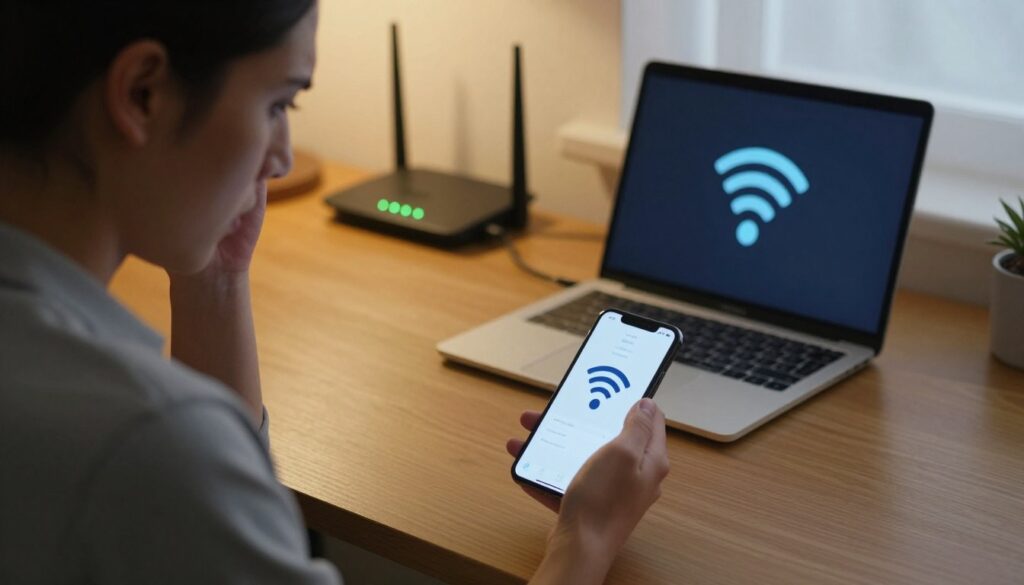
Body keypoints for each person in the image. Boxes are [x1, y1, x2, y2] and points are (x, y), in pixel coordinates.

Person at [0, 1, 670, 583]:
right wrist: (586, 538)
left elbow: (223, 497)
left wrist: (218, 279)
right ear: (143, 93)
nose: (284, 155)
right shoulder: (148, 440)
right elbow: (196, 470)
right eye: (277, 103)